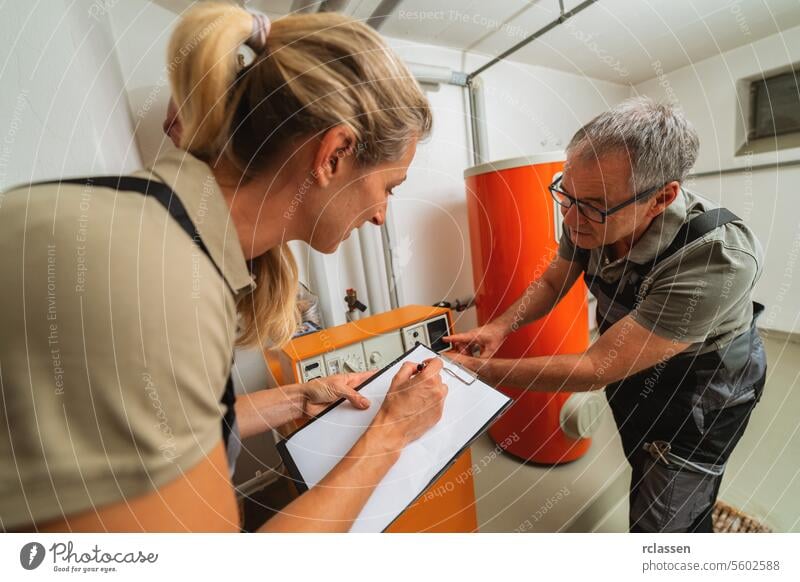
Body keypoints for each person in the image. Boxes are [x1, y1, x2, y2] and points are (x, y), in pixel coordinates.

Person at [0, 3, 448, 532]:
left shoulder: (165, 243)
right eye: (388, 188)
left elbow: (186, 425)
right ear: (333, 155)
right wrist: (391, 433)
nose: (379, 216)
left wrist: (295, 397)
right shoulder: (149, 280)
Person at [446, 97, 766, 533]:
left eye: (593, 205)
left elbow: (597, 367)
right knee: (644, 459)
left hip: (704, 385)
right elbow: (553, 281)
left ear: (661, 198)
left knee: (668, 518)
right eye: (566, 194)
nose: (572, 217)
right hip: (638, 360)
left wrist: (479, 372)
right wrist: (498, 327)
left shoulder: (715, 258)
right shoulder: (588, 210)